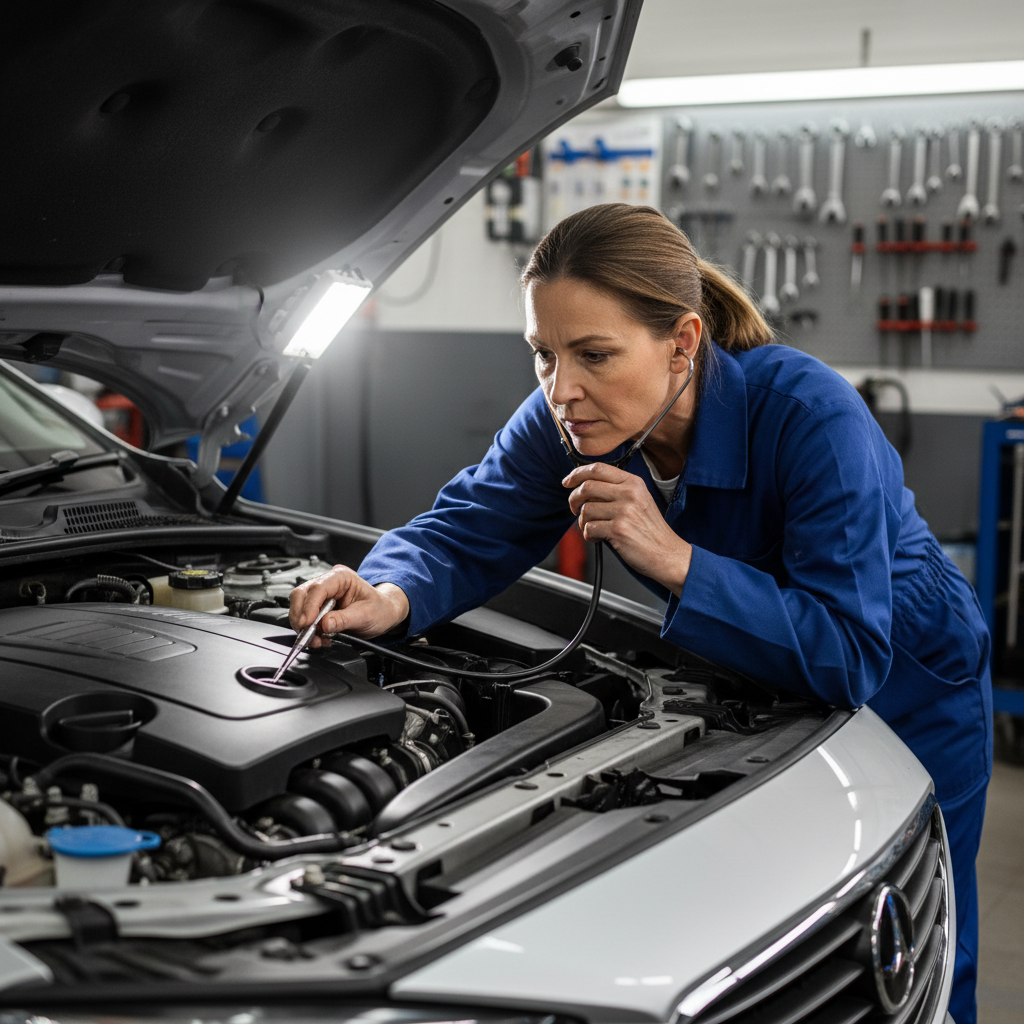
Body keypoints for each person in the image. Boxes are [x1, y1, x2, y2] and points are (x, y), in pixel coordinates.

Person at [290, 203, 991, 1024]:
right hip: (757, 676)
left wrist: (677, 560)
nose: (562, 390)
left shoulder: (809, 415)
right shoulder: (573, 416)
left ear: (683, 343)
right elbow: (467, 525)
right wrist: (391, 592)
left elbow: (847, 653)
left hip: (910, 674)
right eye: (542, 355)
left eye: (593, 355)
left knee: (920, 939)